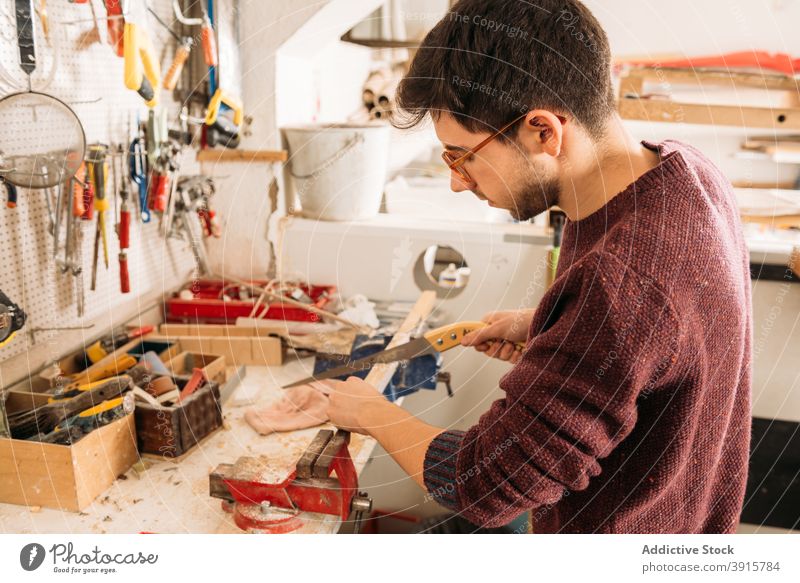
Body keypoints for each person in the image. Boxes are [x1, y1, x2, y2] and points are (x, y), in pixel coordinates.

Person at [319, 0, 752, 533]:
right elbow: (669, 335)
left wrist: (368, 411)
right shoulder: (685, 171)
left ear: (543, 131)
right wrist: (550, 324)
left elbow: (489, 484)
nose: (457, 181)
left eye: (462, 155)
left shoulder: (622, 280)